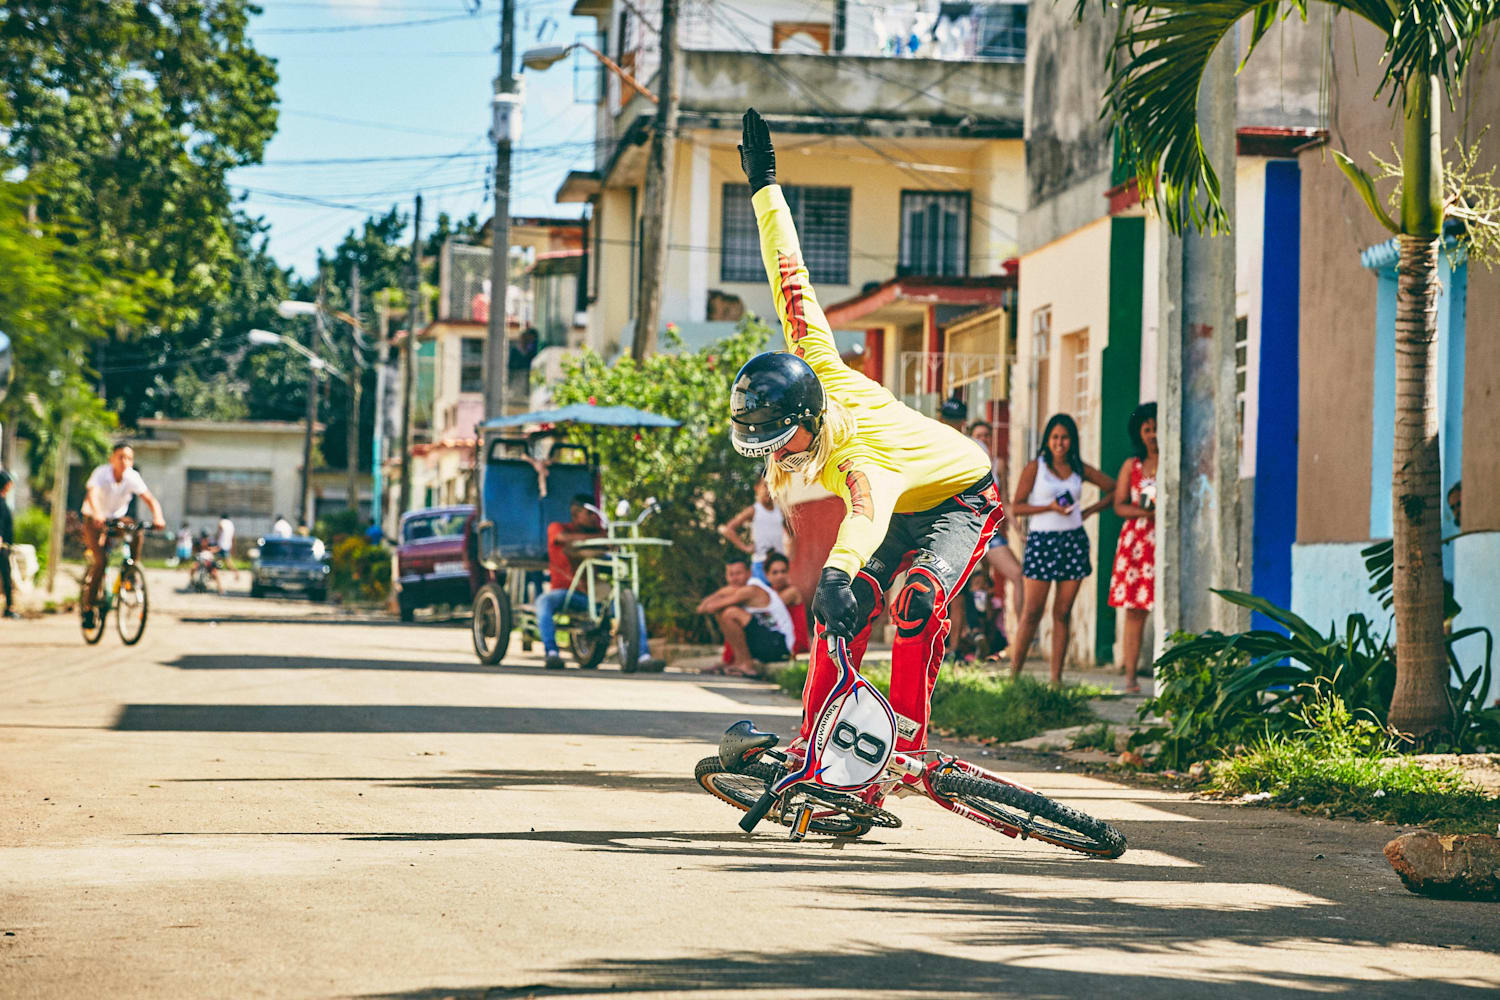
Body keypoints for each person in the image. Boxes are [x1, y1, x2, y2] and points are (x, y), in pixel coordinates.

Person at [728, 109, 1002, 783]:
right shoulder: (810, 360)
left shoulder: (858, 452)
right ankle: (811, 743)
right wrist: (764, 184)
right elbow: (787, 271)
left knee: (913, 598)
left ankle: (903, 745)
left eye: (781, 439)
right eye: (760, 444)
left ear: (809, 416)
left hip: (959, 499)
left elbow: (868, 514)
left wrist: (833, 573)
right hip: (896, 501)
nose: (776, 454)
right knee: (839, 621)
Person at [1008, 413, 1115, 685]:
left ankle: (1056, 679)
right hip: (1042, 542)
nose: (1060, 443)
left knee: (1063, 612)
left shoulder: (1079, 468)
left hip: (1073, 542)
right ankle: (1014, 676)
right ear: (1047, 440)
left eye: (1065, 437)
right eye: (1055, 437)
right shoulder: (1037, 467)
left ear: (1072, 441)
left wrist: (1088, 511)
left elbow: (1114, 489)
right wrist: (1049, 507)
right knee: (1032, 612)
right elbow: (1017, 506)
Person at [537, 494, 663, 672]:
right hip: (566, 592)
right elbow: (565, 540)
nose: (595, 517)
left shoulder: (601, 533)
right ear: (576, 512)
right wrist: (597, 545)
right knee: (544, 602)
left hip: (593, 594)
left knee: (635, 606)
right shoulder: (558, 528)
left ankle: (643, 656)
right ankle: (552, 653)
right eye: (590, 513)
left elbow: (610, 548)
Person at [81, 443, 166, 629]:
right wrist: (97, 513)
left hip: (116, 518)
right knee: (101, 562)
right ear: (112, 458)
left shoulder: (132, 476)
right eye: (120, 457)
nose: (124, 461)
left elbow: (150, 499)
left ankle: (132, 570)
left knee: (136, 529)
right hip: (93, 519)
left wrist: (158, 517)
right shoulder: (101, 473)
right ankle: (88, 608)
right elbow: (93, 494)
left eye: (129, 458)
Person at [1108, 402, 1159, 694]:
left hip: (1162, 541)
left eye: (1156, 429)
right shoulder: (1132, 466)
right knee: (1135, 611)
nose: (1152, 435)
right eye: (1147, 429)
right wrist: (1146, 514)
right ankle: (1130, 677)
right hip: (1138, 543)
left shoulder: (1172, 461)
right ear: (1139, 433)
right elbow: (1119, 505)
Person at [696, 556, 799, 677]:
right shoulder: (739, 589)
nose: (735, 578)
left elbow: (710, 607)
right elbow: (701, 608)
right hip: (766, 642)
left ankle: (746, 664)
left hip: (780, 646)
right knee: (723, 613)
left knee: (730, 613)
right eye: (731, 574)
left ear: (749, 573)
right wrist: (725, 591)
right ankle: (739, 662)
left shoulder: (751, 590)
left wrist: (725, 591)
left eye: (738, 573)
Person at [717, 479, 790, 581]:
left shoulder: (780, 512)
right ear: (757, 488)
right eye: (765, 486)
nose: (768, 490)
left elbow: (792, 534)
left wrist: (790, 556)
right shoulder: (754, 510)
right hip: (761, 563)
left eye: (772, 486)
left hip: (778, 565)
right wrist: (745, 547)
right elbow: (728, 530)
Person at [0, 470, 15, 618]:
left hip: (5, 546)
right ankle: (9, 608)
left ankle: (9, 607)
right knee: (6, 577)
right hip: (1, 546)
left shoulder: (3, 500)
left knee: (6, 578)